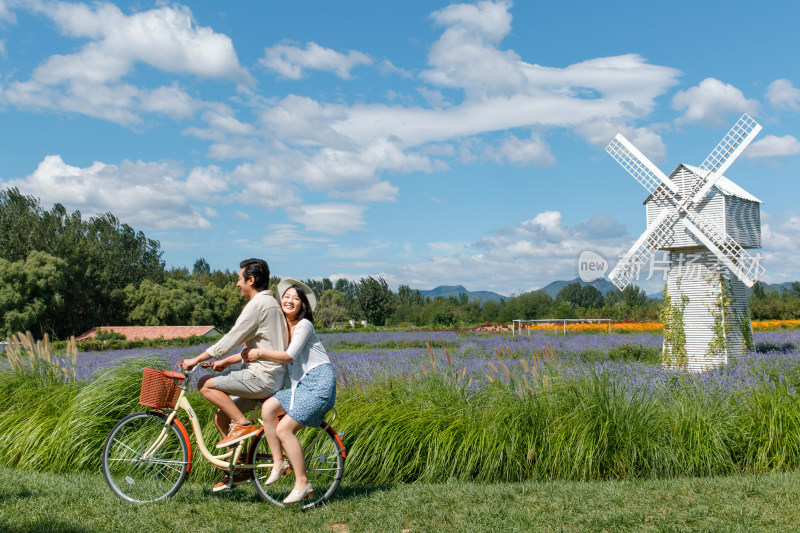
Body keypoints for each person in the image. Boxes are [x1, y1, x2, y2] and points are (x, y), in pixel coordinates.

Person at [181, 258, 288, 492]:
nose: (237, 283)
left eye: (239, 279)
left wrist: (196, 360)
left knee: (204, 384)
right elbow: (259, 348)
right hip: (272, 378)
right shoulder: (272, 304)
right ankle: (238, 471)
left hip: (262, 378)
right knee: (221, 416)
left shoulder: (258, 305)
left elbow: (231, 338)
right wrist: (225, 361)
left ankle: (243, 424)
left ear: (251, 280)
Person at [241, 278, 336, 504]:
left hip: (319, 383)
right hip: (301, 387)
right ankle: (278, 462)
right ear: (280, 301)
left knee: (284, 429)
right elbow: (259, 350)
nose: (290, 300)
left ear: (302, 305)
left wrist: (259, 354)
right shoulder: (283, 329)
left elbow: (288, 356)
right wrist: (229, 360)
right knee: (268, 408)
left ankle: (302, 483)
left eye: (296, 298)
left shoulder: (304, 326)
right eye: (286, 296)